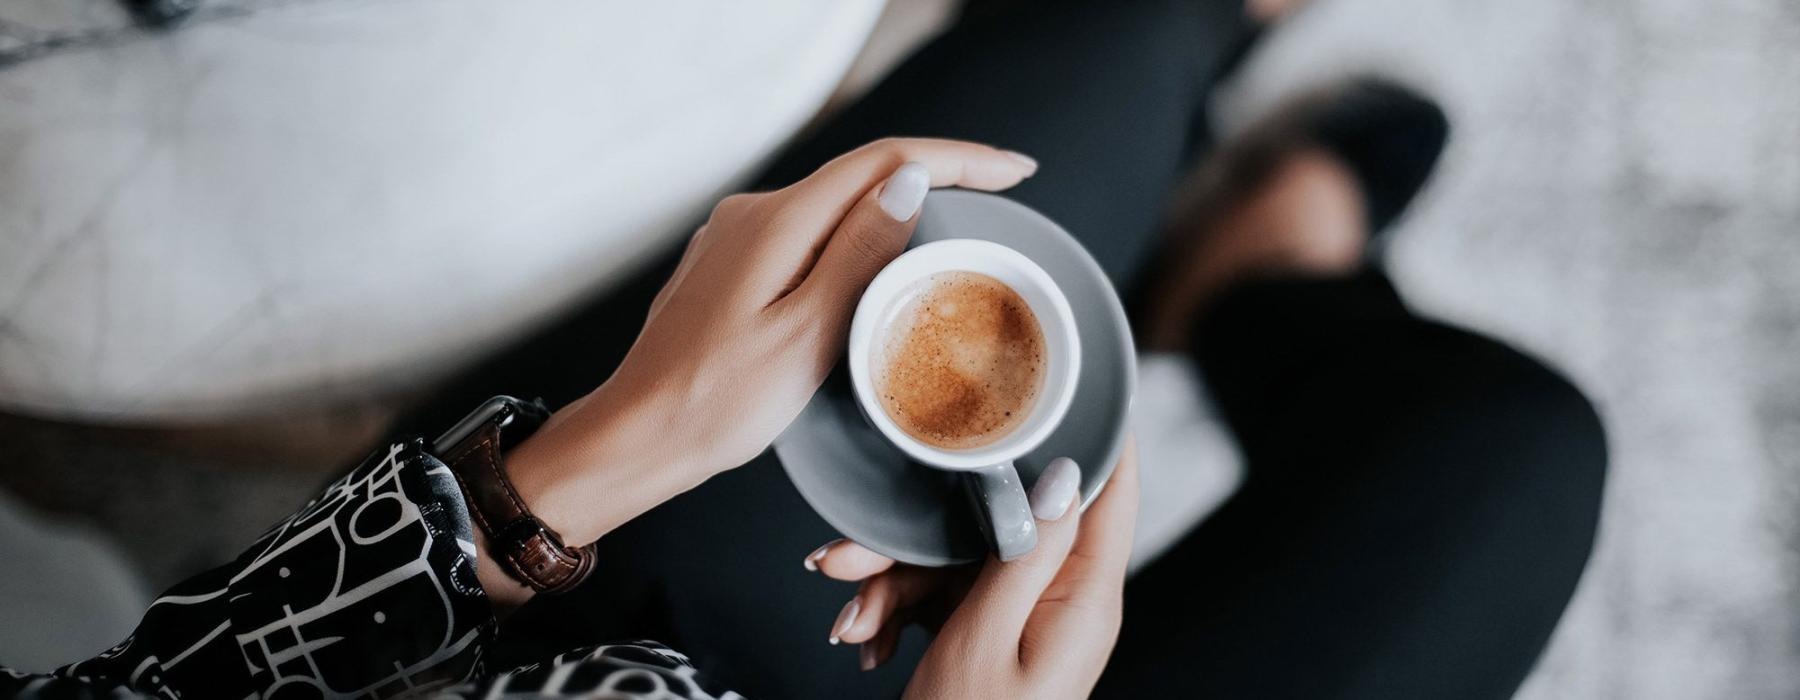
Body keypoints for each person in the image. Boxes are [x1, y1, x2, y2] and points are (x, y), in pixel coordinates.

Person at [1, 0, 1607, 698]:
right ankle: (1255, 281)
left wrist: (590, 461)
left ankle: (1203, 136)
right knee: (1510, 447)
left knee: (1108, 57)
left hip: (542, 630)